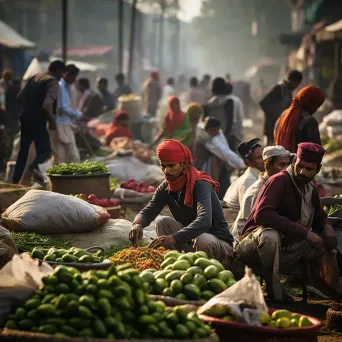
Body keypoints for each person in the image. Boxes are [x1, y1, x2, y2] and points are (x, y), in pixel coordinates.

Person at [236, 143, 337, 301]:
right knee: (269, 236)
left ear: (317, 169)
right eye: (299, 166)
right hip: (254, 248)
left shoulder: (310, 189)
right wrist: (305, 233)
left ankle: (320, 285)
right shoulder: (279, 181)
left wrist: (327, 226)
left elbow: (319, 216)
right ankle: (273, 289)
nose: (302, 172)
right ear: (294, 161)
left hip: (286, 249)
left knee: (327, 239)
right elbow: (263, 215)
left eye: (309, 169)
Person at [129, 139, 234, 263]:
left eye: (171, 166)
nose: (167, 171)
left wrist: (174, 238)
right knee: (163, 222)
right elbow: (149, 210)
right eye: (163, 166)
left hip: (216, 242)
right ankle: (180, 263)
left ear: (184, 164)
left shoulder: (200, 184)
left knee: (202, 239)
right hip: (190, 240)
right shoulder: (167, 186)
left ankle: (214, 267)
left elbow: (205, 221)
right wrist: (138, 223)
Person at [13, 60, 66, 184]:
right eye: (62, 74)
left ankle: (15, 182)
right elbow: (47, 104)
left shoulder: (35, 77)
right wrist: (52, 121)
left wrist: (27, 110)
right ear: (58, 71)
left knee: (23, 152)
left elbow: (20, 97)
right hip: (38, 121)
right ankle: (32, 170)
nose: (61, 77)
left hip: (25, 118)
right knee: (45, 151)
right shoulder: (52, 82)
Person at [231, 146, 291, 238]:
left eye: (288, 165)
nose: (286, 169)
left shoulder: (282, 184)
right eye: (282, 165)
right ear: (268, 166)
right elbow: (244, 229)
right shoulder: (255, 192)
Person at [194, 117, 245, 199]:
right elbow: (224, 152)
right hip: (203, 164)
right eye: (215, 130)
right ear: (209, 130)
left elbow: (225, 149)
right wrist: (242, 164)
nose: (217, 133)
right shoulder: (207, 139)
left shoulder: (214, 132)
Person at [223, 138, 264, 224]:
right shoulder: (249, 181)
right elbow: (248, 215)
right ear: (249, 162)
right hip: (232, 223)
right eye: (259, 157)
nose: (264, 159)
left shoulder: (261, 175)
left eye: (264, 154)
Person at [274, 85, 325, 153]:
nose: (316, 109)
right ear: (310, 103)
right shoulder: (309, 121)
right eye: (316, 105)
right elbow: (316, 150)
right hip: (300, 163)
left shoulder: (283, 115)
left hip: (280, 160)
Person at [50, 64, 82, 164]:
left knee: (73, 156)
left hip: (65, 124)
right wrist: (77, 114)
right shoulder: (60, 86)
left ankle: (74, 178)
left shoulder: (68, 87)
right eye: (74, 76)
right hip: (59, 125)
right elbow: (63, 108)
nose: (74, 79)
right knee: (60, 156)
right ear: (67, 74)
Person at [260, 70, 303, 145]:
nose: (296, 87)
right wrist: (274, 116)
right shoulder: (280, 88)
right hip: (272, 127)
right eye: (297, 84)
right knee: (271, 151)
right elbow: (263, 103)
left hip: (280, 127)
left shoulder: (288, 90)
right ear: (293, 81)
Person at [0, 69, 20, 171]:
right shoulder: (1, 88)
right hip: (3, 119)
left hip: (10, 119)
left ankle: (5, 165)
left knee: (10, 142)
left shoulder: (12, 88)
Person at [204, 78, 234, 147]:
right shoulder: (229, 102)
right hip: (225, 138)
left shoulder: (207, 105)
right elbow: (230, 121)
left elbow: (205, 123)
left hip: (211, 139)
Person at [225, 82, 245, 151]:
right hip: (235, 127)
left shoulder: (222, 100)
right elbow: (240, 116)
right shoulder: (237, 100)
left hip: (224, 127)